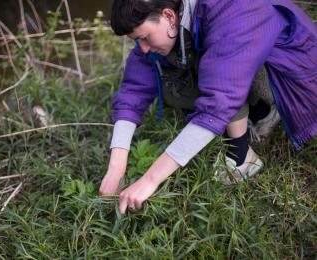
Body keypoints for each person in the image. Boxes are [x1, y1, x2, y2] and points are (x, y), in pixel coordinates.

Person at [99, 0, 317, 214]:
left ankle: (245, 149)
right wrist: (116, 167)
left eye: (145, 37)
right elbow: (133, 91)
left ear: (168, 15)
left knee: (221, 79)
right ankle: (254, 114)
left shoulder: (232, 11)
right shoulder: (171, 18)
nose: (143, 48)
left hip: (290, 72)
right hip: (242, 58)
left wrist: (150, 180)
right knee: (191, 70)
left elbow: (218, 103)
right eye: (137, 41)